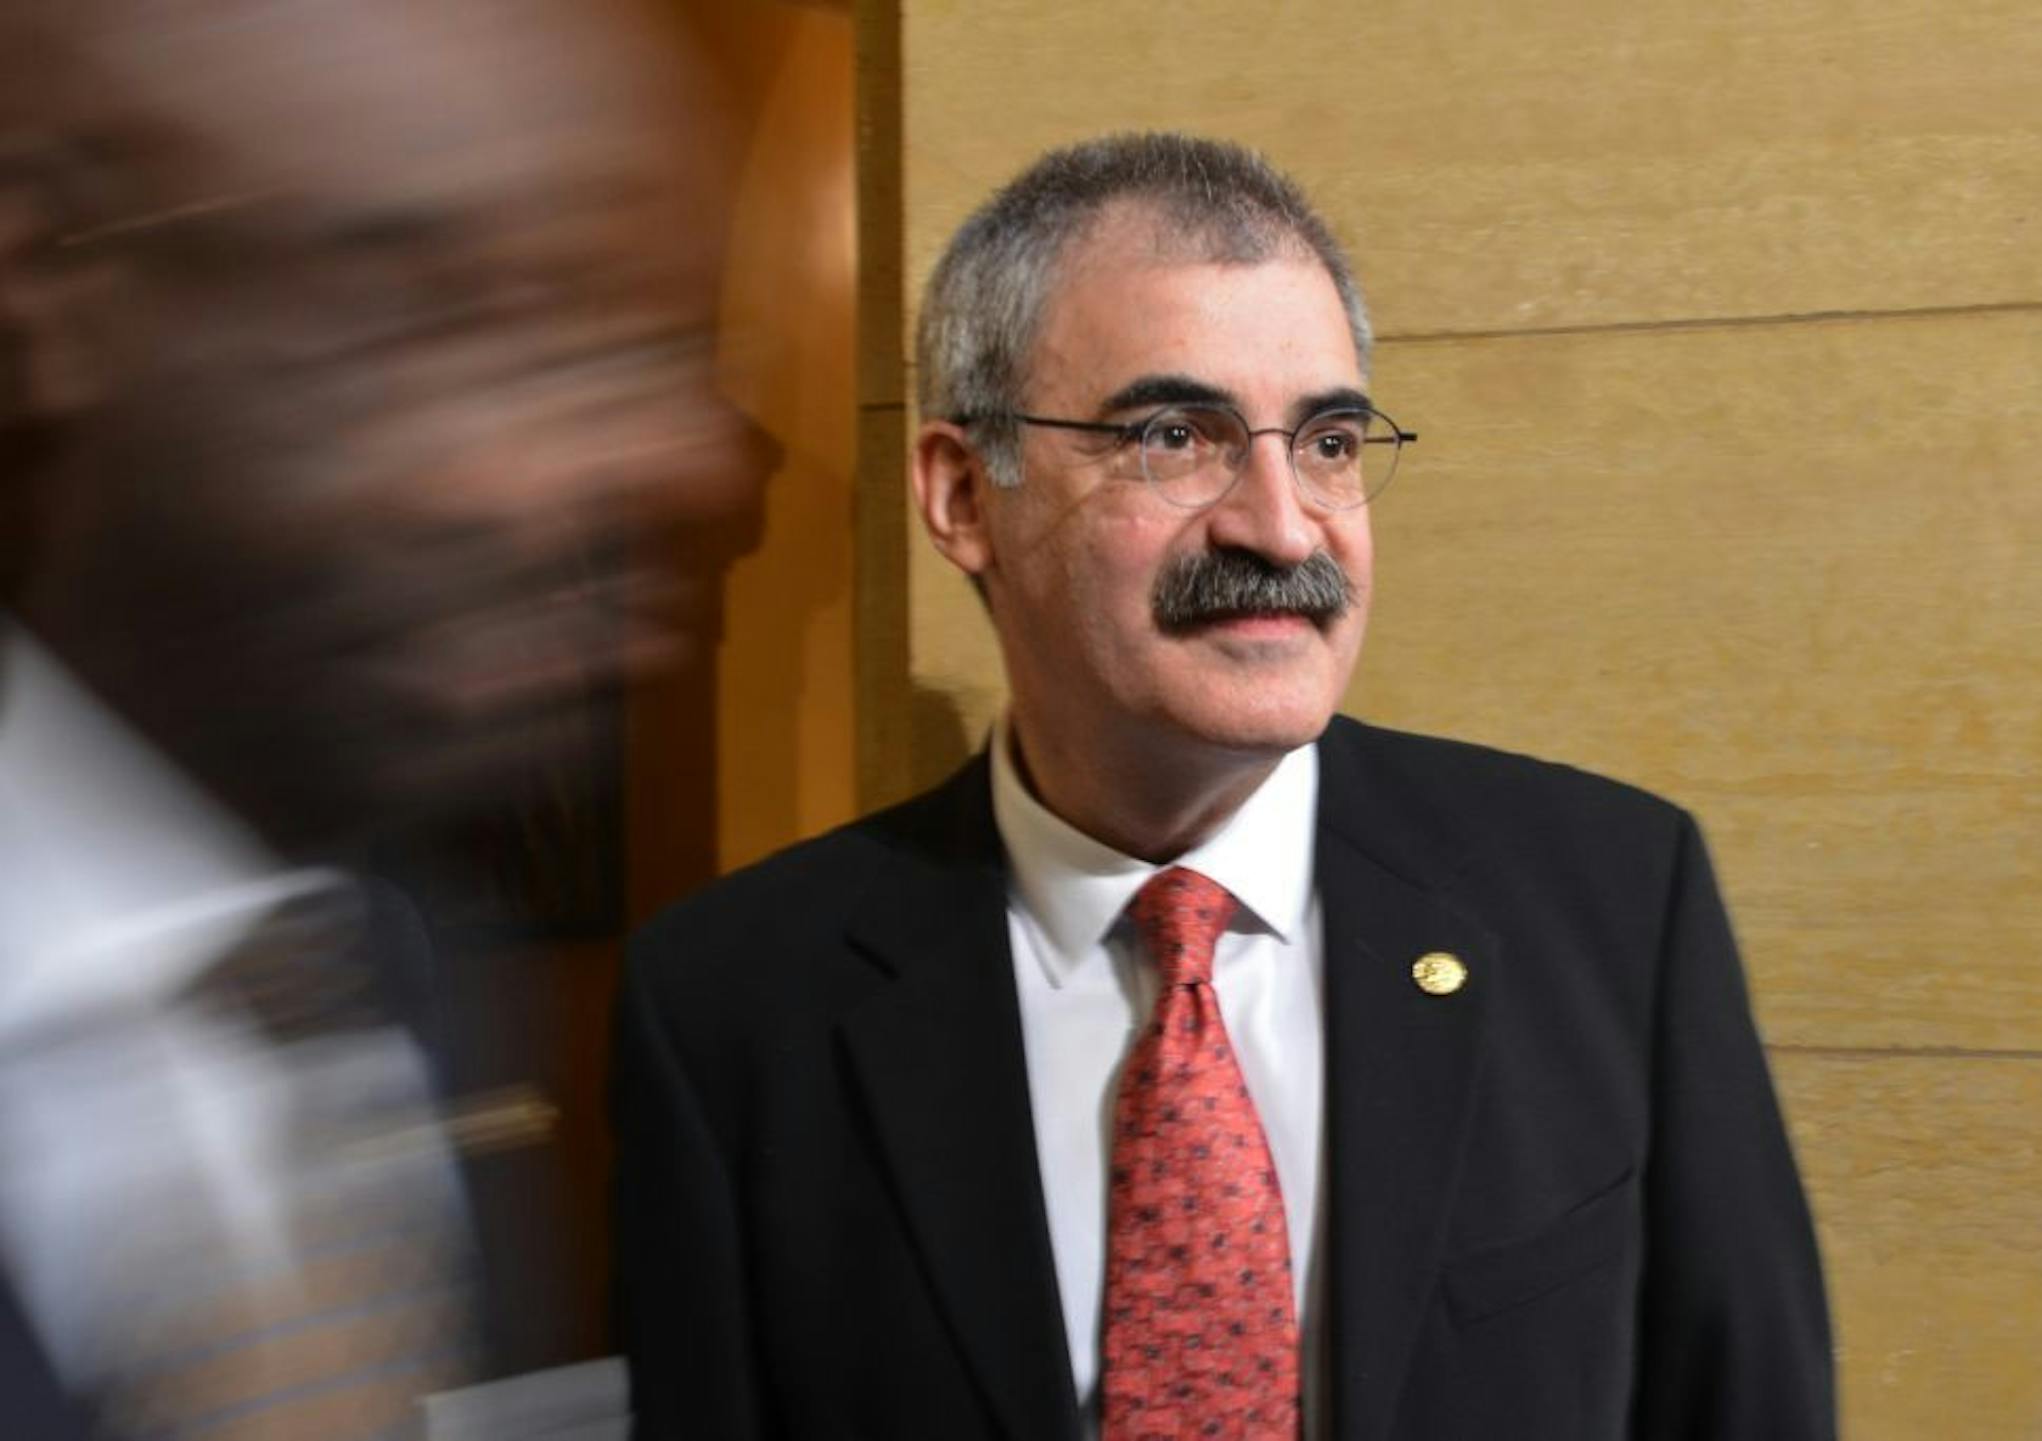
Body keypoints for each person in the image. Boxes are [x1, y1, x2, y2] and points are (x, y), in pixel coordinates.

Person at [615, 132, 1836, 1440]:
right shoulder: (732, 1006)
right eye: (1173, 435)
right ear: (965, 494)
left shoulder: (1610, 901)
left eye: (1326, 439)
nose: (1282, 525)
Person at [0, 1, 754, 1435]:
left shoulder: (412, 974)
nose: (673, 460)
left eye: (659, 344)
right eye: (462, 312)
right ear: (45, 273)